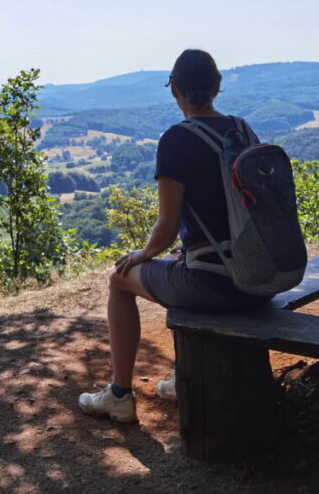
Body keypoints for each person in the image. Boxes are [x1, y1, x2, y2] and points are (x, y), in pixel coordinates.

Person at [78, 48, 272, 423]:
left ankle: (118, 394)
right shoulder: (243, 129)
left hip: (216, 285)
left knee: (118, 280)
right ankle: (180, 382)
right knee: (180, 266)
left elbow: (166, 228)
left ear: (174, 90)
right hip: (260, 276)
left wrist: (142, 254)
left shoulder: (176, 140)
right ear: (217, 88)